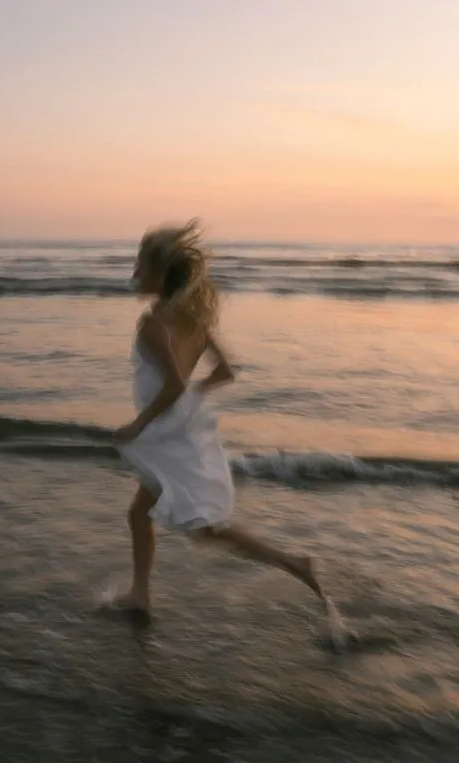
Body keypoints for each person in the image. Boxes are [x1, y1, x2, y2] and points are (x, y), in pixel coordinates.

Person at [113, 220, 344, 641]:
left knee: (205, 529)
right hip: (181, 428)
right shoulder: (195, 321)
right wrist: (191, 399)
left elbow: (173, 383)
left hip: (166, 434)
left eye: (139, 266)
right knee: (141, 514)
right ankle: (141, 594)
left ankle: (295, 563)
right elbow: (224, 372)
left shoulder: (152, 322)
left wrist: (139, 422)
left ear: (161, 273)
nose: (133, 275)